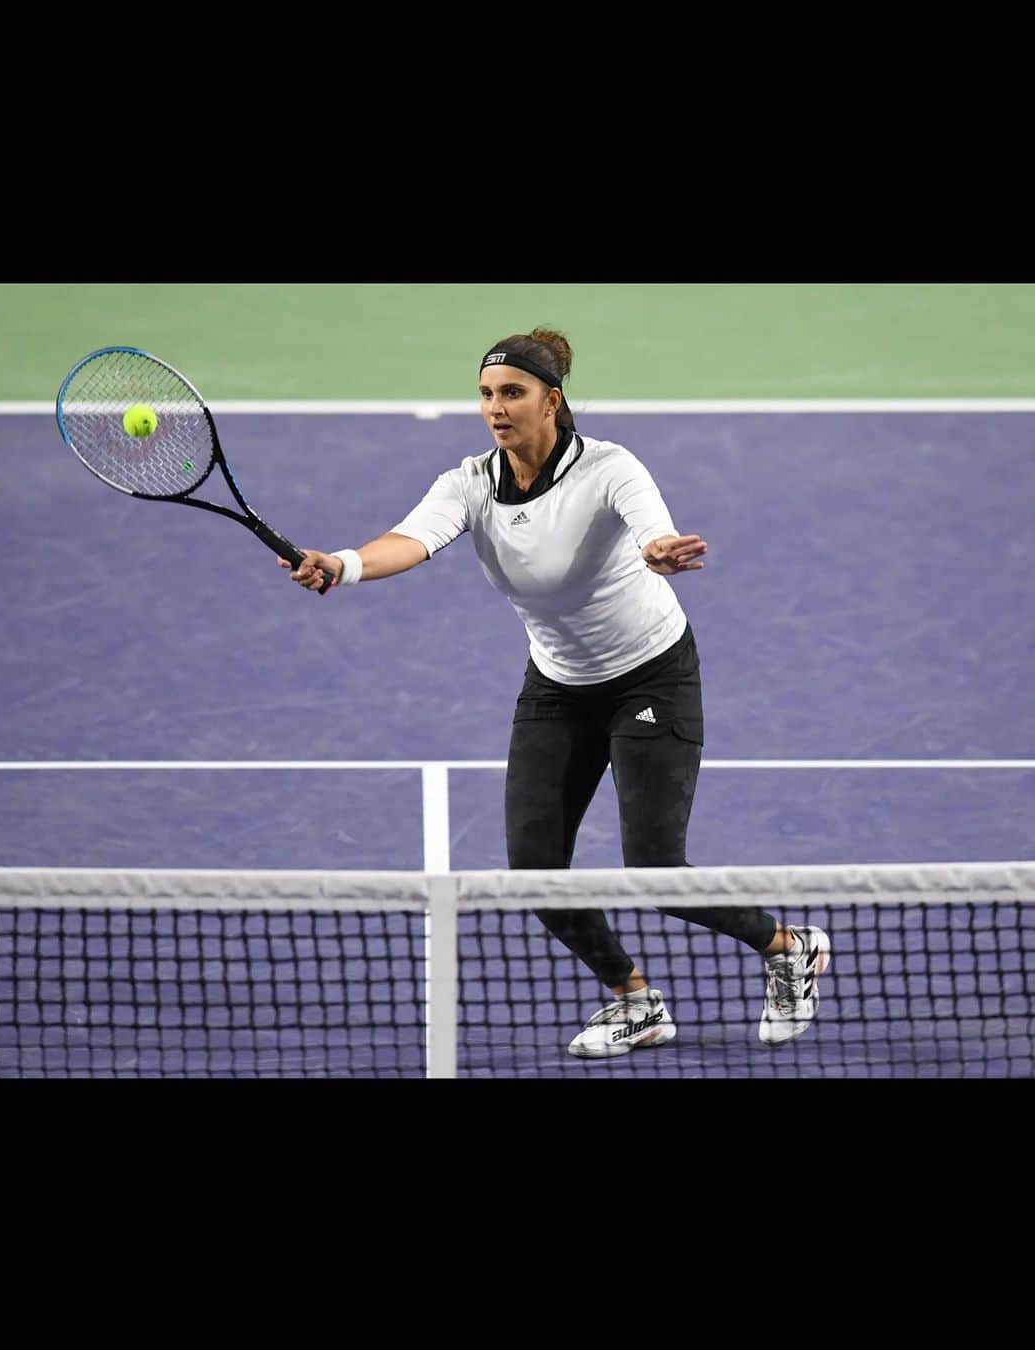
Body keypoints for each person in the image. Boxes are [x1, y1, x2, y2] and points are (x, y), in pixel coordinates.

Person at [280, 328, 830, 1059]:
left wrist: (659, 550)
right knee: (535, 872)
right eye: (485, 395)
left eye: (511, 393)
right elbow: (409, 539)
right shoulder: (469, 484)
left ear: (551, 400)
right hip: (559, 687)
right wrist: (344, 566)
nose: (495, 408)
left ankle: (789, 946)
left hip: (650, 676)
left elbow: (650, 529)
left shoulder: (609, 468)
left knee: (657, 870)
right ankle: (635, 1000)